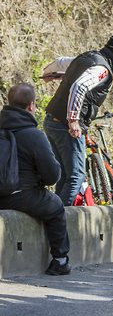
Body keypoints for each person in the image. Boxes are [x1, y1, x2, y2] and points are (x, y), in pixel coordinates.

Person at [42, 33, 113, 206]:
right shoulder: (103, 69)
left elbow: (62, 62)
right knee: (76, 176)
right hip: (67, 127)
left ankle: (54, 218)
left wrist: (49, 73)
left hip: (52, 121)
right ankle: (60, 219)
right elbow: (79, 85)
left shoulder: (88, 57)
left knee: (65, 176)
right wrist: (73, 119)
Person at [0, 83, 71, 275]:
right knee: (56, 205)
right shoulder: (34, 135)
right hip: (22, 196)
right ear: (31, 106)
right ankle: (60, 260)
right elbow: (52, 176)